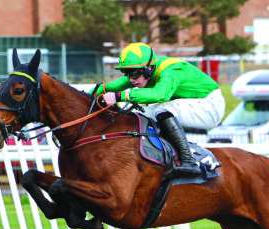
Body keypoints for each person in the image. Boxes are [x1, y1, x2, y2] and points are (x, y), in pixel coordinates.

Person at [93, 42, 225, 177]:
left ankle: (188, 160)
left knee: (163, 108)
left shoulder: (170, 71)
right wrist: (81, 96)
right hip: (191, 103)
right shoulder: (142, 72)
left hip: (210, 106)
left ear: (149, 68)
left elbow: (160, 94)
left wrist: (120, 96)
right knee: (137, 116)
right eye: (127, 73)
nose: (131, 79)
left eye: (135, 74)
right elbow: (110, 87)